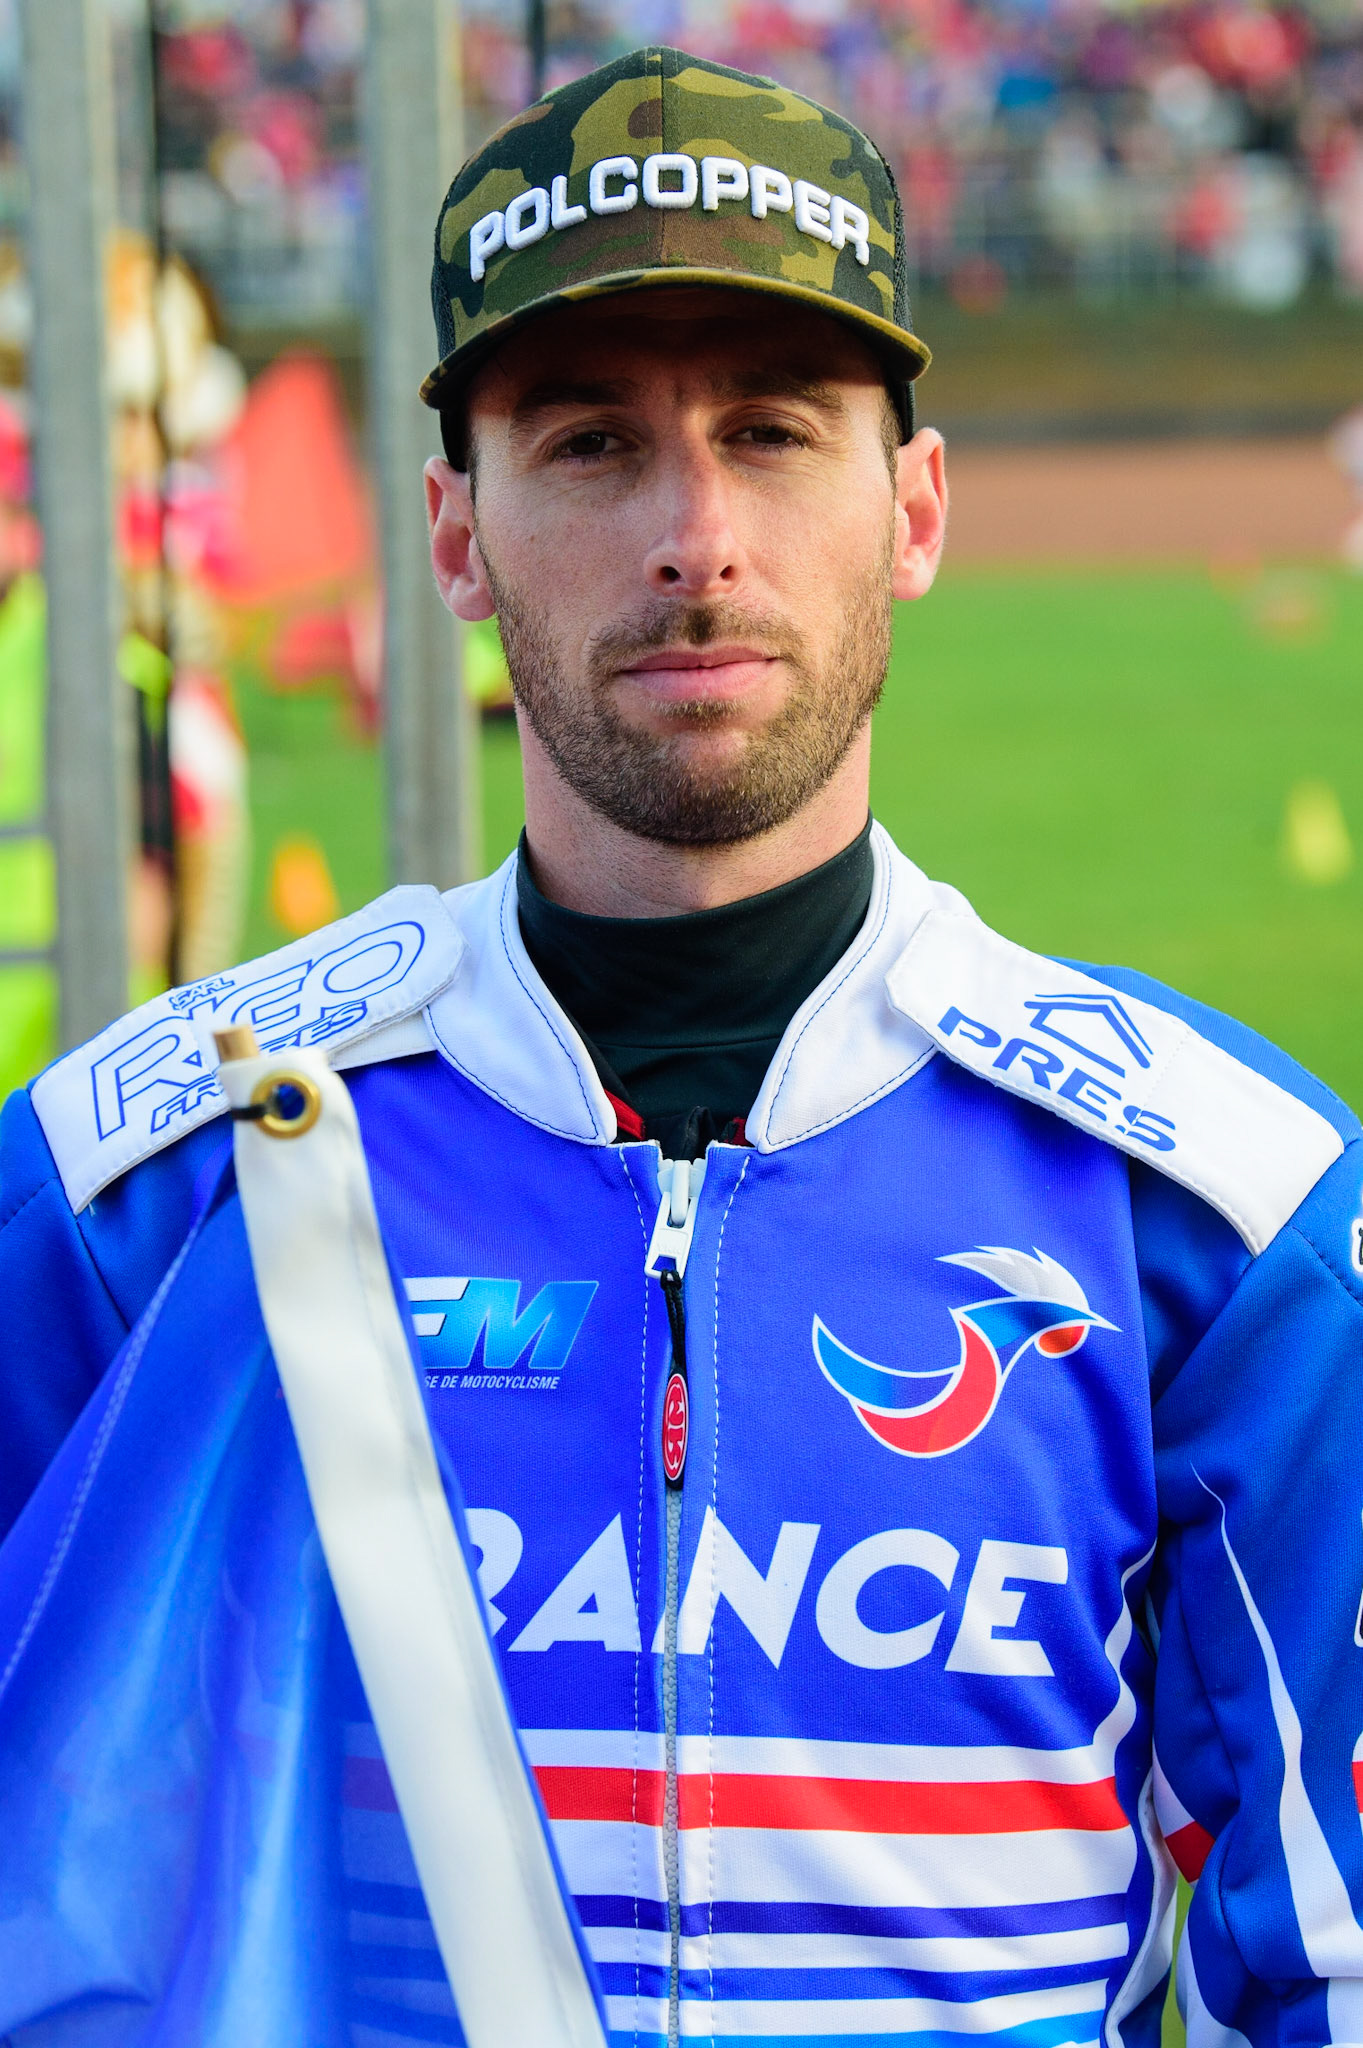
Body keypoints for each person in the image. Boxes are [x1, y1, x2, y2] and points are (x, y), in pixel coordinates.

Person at [2, 43, 1363, 2048]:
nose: (695, 534)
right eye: (587, 444)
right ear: (455, 534)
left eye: (774, 430)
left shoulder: (1224, 1219)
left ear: (913, 509)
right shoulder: (147, 1189)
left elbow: (1325, 1966)